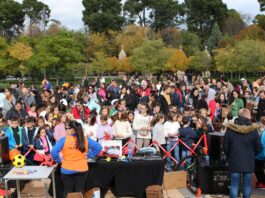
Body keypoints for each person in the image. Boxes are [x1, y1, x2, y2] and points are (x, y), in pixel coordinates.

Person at [51, 121, 102, 198]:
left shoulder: (64, 140)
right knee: (80, 191)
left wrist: (59, 160)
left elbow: (54, 152)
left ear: (72, 130)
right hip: (82, 169)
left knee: (67, 191)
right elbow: (98, 147)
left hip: (67, 169)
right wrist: (89, 155)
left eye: (66, 128)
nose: (66, 130)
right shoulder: (85, 139)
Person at [223, 108, 262, 198]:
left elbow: (225, 146)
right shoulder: (253, 131)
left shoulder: (230, 130)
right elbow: (259, 147)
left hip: (234, 160)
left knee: (234, 184)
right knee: (247, 185)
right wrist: (252, 155)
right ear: (248, 117)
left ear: (238, 116)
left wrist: (229, 155)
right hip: (248, 161)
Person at [255, 116, 265, 188]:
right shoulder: (262, 131)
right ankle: (261, 181)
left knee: (257, 168)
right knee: (260, 168)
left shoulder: (263, 132)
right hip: (262, 153)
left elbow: (261, 144)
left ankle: (262, 182)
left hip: (261, 154)